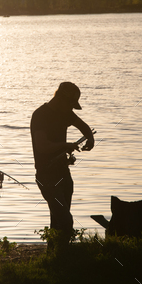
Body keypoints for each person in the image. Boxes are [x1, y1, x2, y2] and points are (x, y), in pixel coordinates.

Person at [30, 82, 95, 246]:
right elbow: (42, 146)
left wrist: (90, 138)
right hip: (47, 176)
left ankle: (56, 258)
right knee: (65, 220)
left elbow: (84, 127)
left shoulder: (65, 113)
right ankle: (62, 256)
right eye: (70, 104)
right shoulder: (40, 115)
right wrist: (65, 146)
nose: (71, 109)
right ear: (60, 99)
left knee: (58, 221)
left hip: (63, 174)